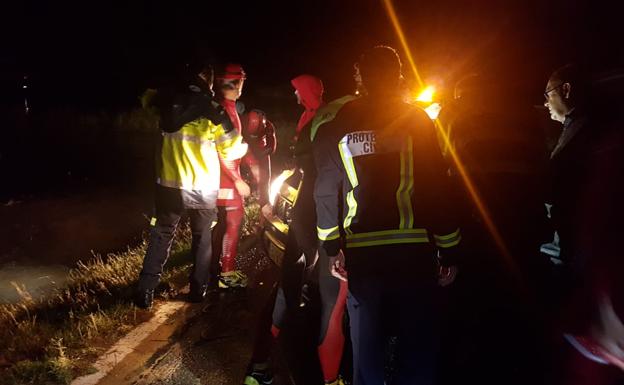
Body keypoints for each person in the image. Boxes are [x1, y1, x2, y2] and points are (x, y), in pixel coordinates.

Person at [314, 46, 461, 385]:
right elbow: (437, 186)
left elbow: (324, 191)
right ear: (397, 76)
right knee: (418, 341)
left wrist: (331, 245)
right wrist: (449, 247)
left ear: (360, 77)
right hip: (412, 252)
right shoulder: (418, 121)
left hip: (364, 254)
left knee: (366, 345)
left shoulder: (336, 126)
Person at [244, 75, 354, 385]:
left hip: (305, 210)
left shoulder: (317, 119)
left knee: (288, 286)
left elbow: (303, 163)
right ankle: (332, 380)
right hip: (328, 213)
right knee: (334, 301)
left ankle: (259, 366)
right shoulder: (346, 118)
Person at [135, 62, 246, 309]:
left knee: (162, 234)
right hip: (203, 187)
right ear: (207, 80)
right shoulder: (214, 110)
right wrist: (244, 148)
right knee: (202, 237)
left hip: (169, 186)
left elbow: (146, 99)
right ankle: (198, 290)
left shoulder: (166, 103)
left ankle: (145, 291)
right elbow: (232, 147)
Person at [213, 63, 251, 289]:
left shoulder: (224, 107)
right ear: (237, 82)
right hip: (227, 180)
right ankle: (227, 273)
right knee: (234, 222)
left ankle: (215, 270)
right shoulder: (227, 109)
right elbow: (222, 150)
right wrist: (238, 180)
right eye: (242, 81)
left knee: (220, 226)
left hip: (216, 179)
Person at [241, 109, 276, 207]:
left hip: (262, 152)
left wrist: (258, 156)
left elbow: (271, 147)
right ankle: (244, 201)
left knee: (264, 181)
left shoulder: (268, 126)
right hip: (245, 150)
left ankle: (264, 205)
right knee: (242, 176)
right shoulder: (242, 121)